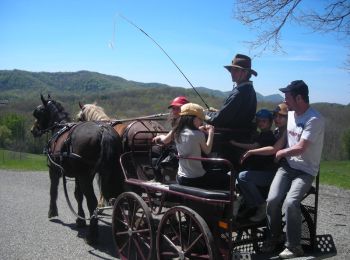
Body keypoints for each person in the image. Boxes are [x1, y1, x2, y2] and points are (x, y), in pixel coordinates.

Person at [243, 80, 325, 258]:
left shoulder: (314, 119)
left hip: (305, 171)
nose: (285, 100)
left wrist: (281, 152)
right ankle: (274, 236)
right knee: (272, 200)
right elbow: (280, 143)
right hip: (287, 167)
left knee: (290, 202)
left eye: (287, 97)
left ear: (298, 97)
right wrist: (259, 151)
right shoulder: (291, 115)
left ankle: (294, 246)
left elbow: (301, 147)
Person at [153, 103, 230, 189]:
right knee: (228, 178)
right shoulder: (198, 134)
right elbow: (207, 150)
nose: (201, 122)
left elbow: (165, 140)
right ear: (193, 119)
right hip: (197, 179)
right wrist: (211, 133)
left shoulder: (176, 131)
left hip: (181, 178)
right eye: (200, 119)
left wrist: (159, 136)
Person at [236, 104, 288, 222]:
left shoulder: (284, 134)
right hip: (270, 169)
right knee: (240, 175)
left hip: (277, 171)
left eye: (282, 117)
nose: (277, 119)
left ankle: (259, 205)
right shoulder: (275, 132)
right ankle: (249, 204)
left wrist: (244, 149)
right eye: (276, 116)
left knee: (243, 176)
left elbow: (272, 149)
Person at [205, 53, 257, 166]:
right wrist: (217, 111)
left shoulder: (239, 93)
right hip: (241, 135)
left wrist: (204, 113)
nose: (232, 73)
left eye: (235, 70)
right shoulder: (250, 90)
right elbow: (233, 113)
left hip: (229, 138)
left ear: (245, 73)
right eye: (232, 70)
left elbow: (219, 119)